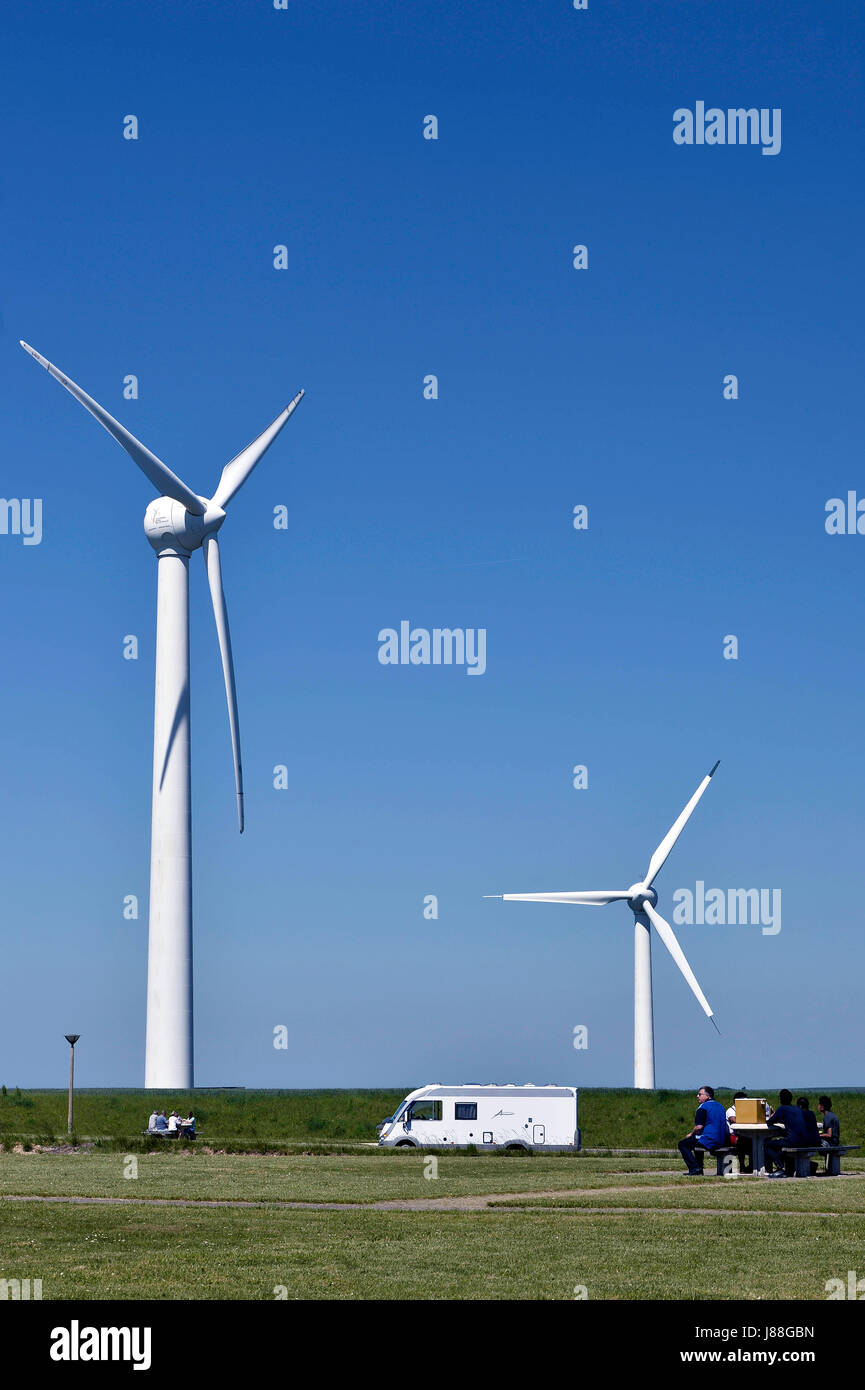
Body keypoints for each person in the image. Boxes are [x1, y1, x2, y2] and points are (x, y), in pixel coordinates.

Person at [678, 1085, 729, 1175]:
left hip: (710, 1139)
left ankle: (695, 1168)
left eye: (700, 1094)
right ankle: (699, 1168)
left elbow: (699, 1127)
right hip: (722, 1139)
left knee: (683, 1144)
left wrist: (690, 1134)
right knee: (697, 1141)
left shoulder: (703, 1108)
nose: (697, 1096)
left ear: (707, 1096)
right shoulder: (720, 1106)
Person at [764, 1090, 809, 1176]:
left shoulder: (782, 1108)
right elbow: (786, 1119)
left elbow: (769, 1122)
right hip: (805, 1140)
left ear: (780, 1099)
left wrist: (773, 1115)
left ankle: (780, 1167)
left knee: (766, 1145)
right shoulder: (797, 1109)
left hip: (793, 1141)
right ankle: (782, 1166)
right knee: (779, 1145)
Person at [726, 1091, 752, 1173]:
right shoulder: (730, 1110)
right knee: (742, 1142)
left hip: (745, 1135)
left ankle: (751, 1166)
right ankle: (742, 1166)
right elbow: (734, 1120)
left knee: (753, 1142)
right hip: (732, 1135)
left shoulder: (746, 1110)